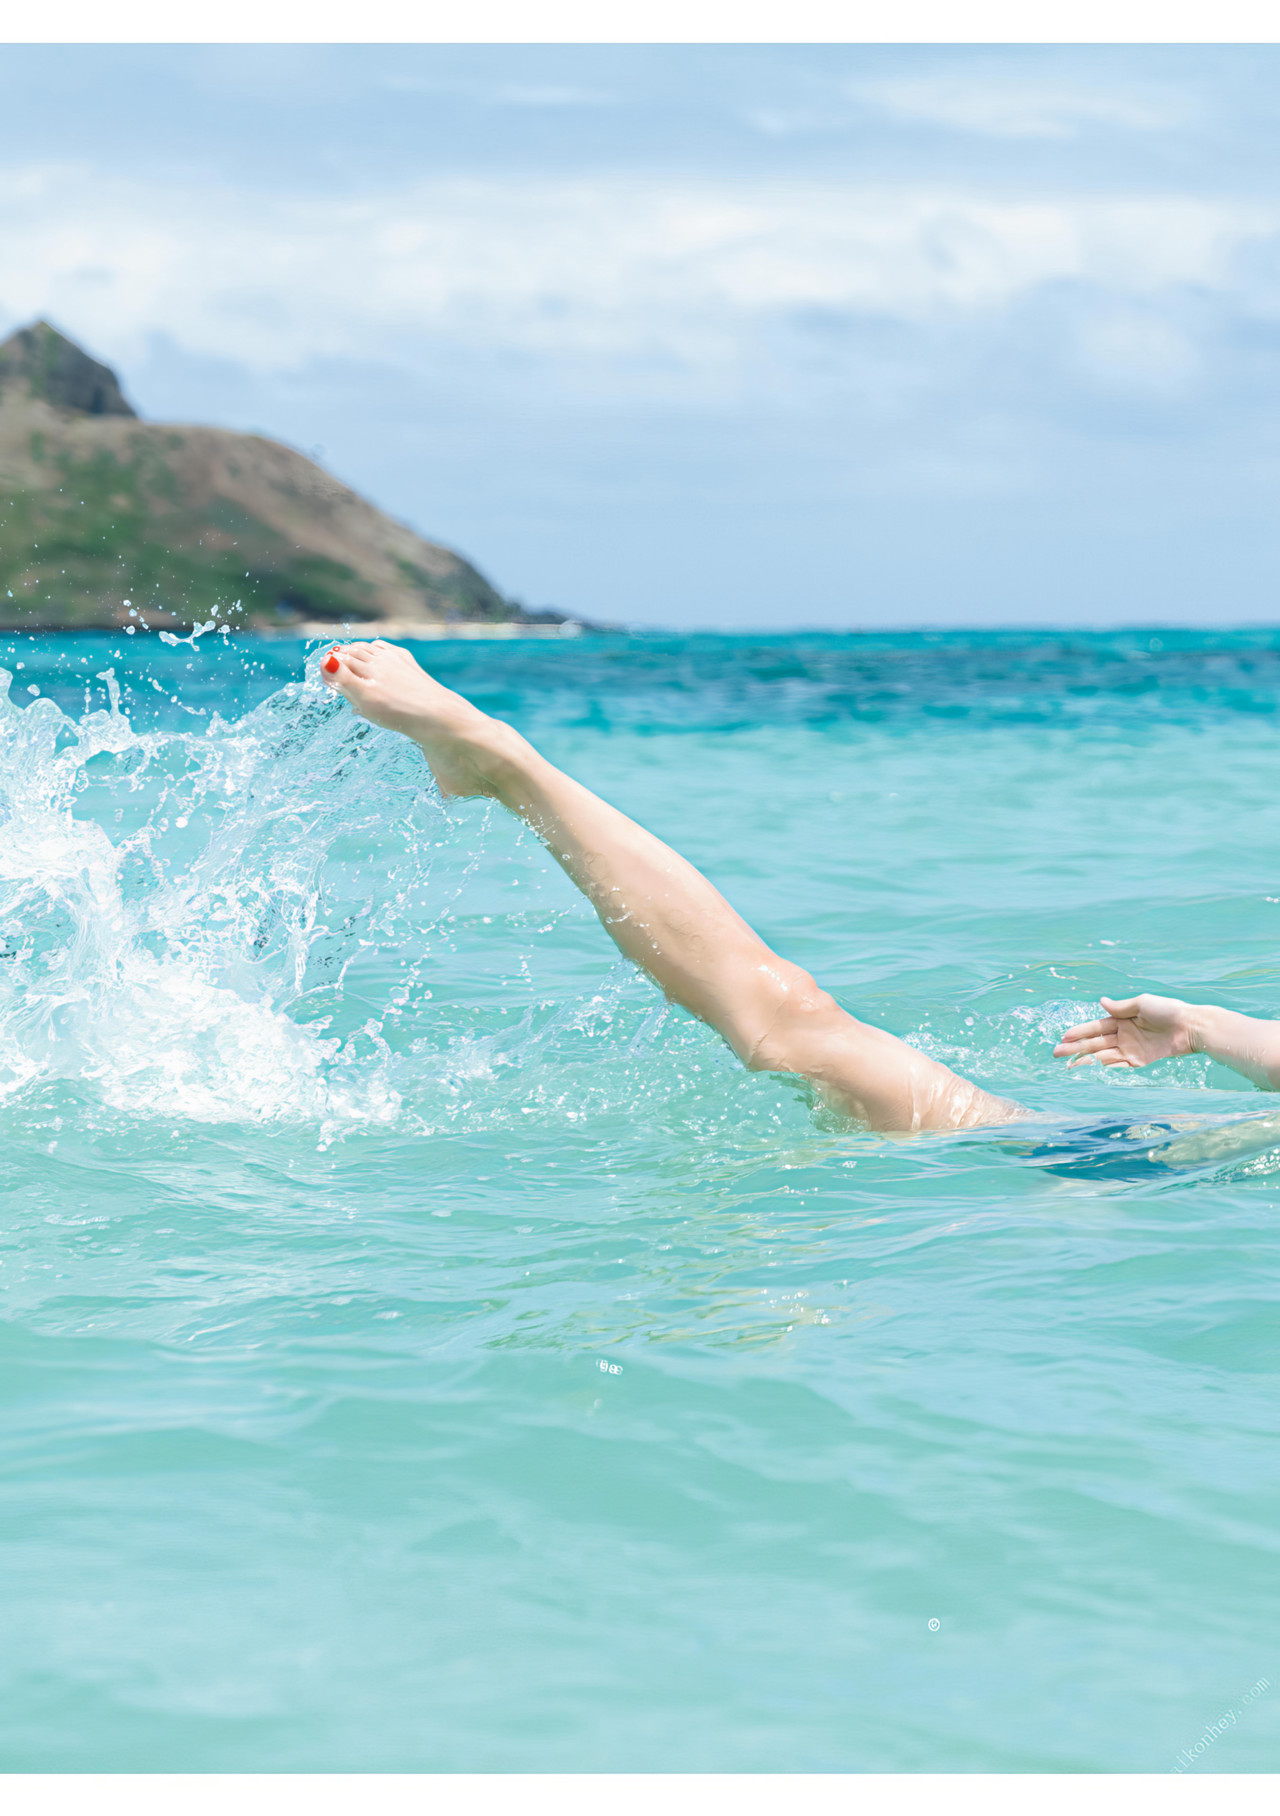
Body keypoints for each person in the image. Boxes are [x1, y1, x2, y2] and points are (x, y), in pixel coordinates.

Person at [320, 640, 1021, 1135]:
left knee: (794, 1026)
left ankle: (500, 762)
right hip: (1069, 1151)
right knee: (796, 1022)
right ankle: (497, 761)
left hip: (1065, 1154)